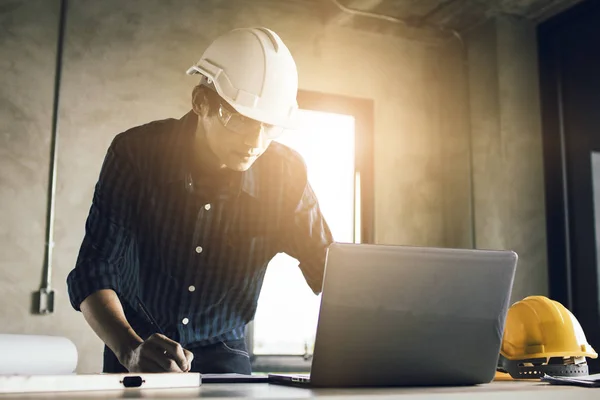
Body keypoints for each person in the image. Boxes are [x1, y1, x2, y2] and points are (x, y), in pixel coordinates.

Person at [66, 27, 333, 374]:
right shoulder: (135, 154)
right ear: (201, 101)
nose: (256, 141)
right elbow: (93, 270)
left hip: (223, 348)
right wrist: (130, 351)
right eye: (240, 118)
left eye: (269, 126)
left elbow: (330, 272)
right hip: (138, 344)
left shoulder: (285, 174)